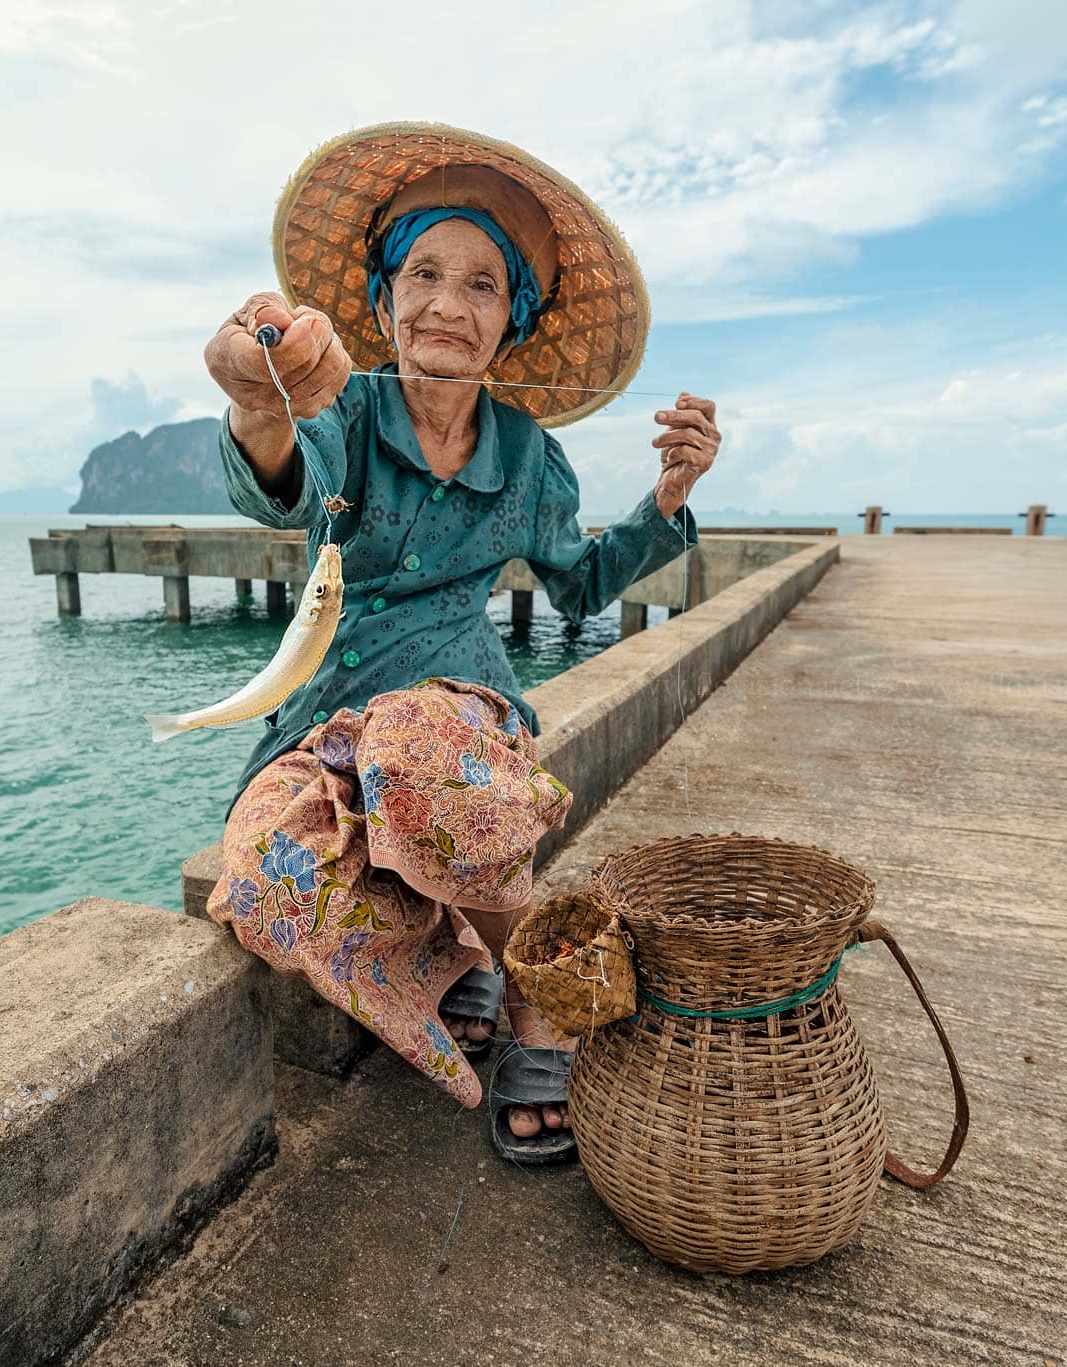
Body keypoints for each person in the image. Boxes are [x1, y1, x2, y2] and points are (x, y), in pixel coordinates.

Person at [200, 123, 720, 1164]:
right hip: (319, 715)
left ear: (508, 320)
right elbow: (276, 477)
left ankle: (532, 1003)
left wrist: (667, 497)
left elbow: (583, 580)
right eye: (424, 272)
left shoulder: (533, 457)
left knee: (416, 748)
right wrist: (258, 397)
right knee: (263, 875)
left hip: (456, 712)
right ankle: (450, 954)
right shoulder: (338, 408)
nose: (447, 302)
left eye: (483, 283)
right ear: (385, 296)